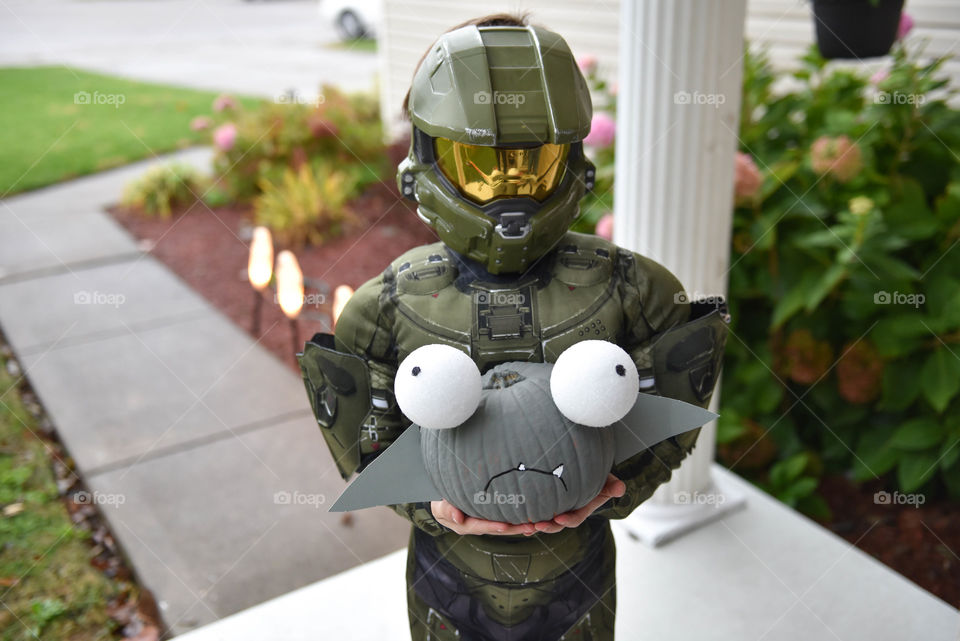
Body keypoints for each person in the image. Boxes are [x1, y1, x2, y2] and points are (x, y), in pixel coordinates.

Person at [298, 13, 728, 641]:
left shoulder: (636, 291)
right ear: (425, 165)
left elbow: (670, 412)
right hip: (451, 578)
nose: (506, 186)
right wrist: (434, 509)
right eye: (479, 163)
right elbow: (367, 443)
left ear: (574, 161)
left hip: (572, 573)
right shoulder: (386, 307)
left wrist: (615, 488)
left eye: (531, 162)